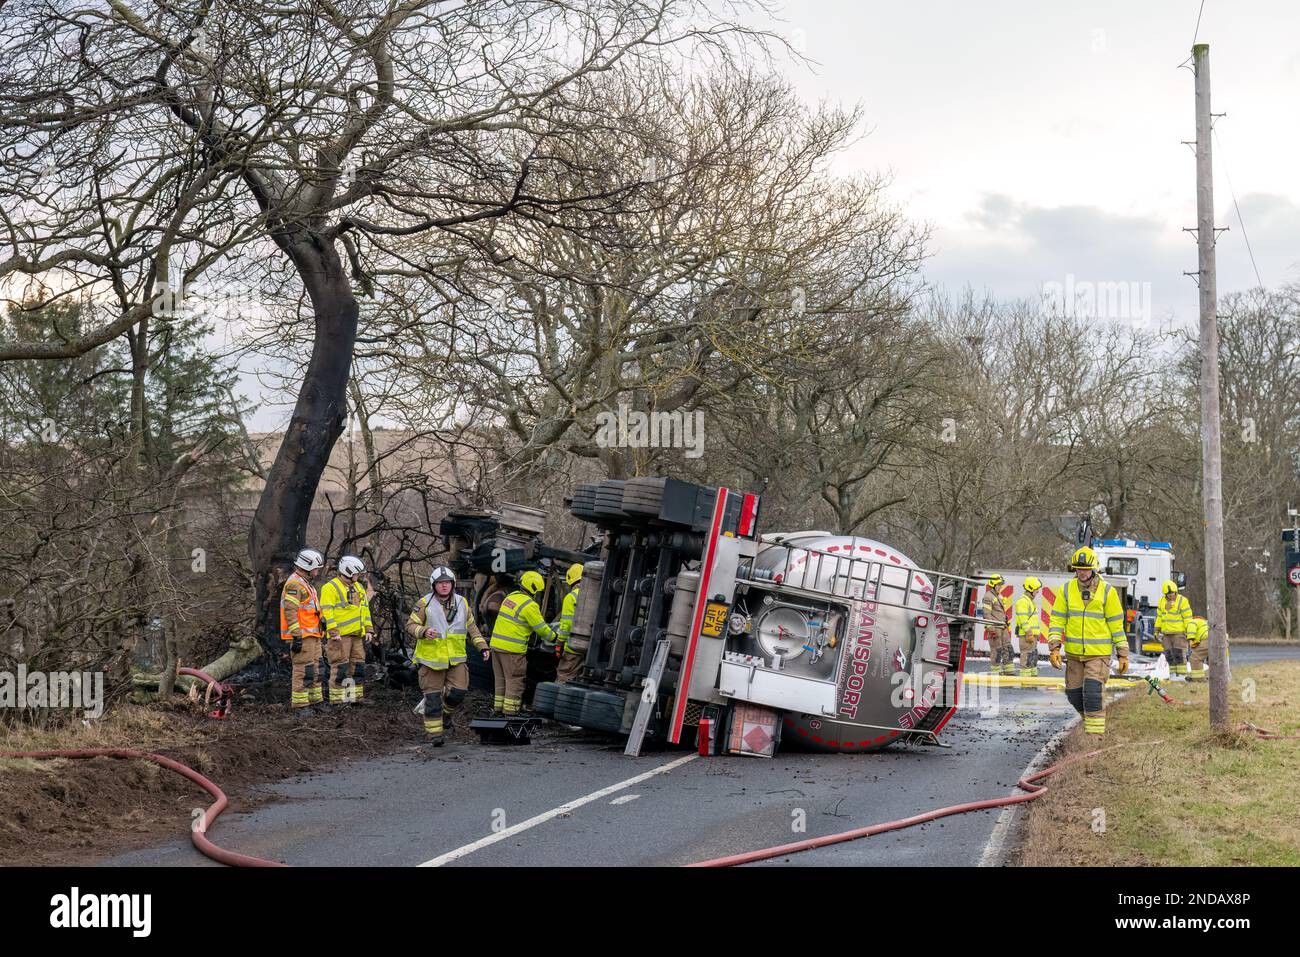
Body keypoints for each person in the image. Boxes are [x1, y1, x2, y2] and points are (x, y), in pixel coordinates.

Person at [1048, 546, 1129, 735]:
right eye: (1078, 568)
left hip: (1097, 655)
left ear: (1094, 569)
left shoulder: (1107, 592)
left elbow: (1117, 626)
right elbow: (1057, 619)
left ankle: (1095, 739)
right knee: (1074, 695)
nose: (1081, 573)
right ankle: (1090, 725)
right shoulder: (1066, 590)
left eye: (1085, 569)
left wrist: (1122, 654)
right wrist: (1054, 648)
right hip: (1074, 655)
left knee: (1092, 694)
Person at [406, 566, 489, 747]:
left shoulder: (462, 603)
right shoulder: (424, 603)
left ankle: (446, 716)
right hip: (431, 661)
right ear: (433, 585)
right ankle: (435, 736)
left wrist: (482, 646)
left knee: (457, 694)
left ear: (453, 584)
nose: (444, 586)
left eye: (447, 583)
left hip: (456, 659)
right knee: (433, 700)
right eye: (440, 583)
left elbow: (472, 628)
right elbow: (410, 625)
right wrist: (423, 631)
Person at [488, 570, 555, 716]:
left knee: (500, 681)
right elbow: (542, 629)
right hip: (512, 651)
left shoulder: (510, 598)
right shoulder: (530, 606)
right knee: (514, 682)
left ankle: (498, 711)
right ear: (533, 588)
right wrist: (555, 637)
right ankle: (510, 715)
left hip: (496, 647)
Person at [320, 555, 373, 705]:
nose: (359, 576)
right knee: (340, 668)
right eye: (357, 573)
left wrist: (369, 629)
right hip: (340, 636)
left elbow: (365, 610)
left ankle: (354, 698)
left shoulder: (358, 587)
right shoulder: (330, 587)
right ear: (348, 571)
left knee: (357, 667)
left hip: (357, 635)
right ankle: (338, 701)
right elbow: (327, 612)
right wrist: (333, 632)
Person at [280, 548, 325, 713]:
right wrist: (297, 636)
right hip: (303, 636)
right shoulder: (295, 584)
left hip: (313, 635)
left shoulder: (305, 583)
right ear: (308, 566)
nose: (318, 571)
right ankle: (300, 705)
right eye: (316, 568)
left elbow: (309, 610)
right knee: (303, 670)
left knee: (316, 669)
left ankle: (315, 701)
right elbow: (290, 612)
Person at [553, 563, 585, 684]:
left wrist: (559, 644)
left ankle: (557, 702)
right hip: (590, 648)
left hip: (573, 647)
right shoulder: (596, 597)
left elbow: (566, 626)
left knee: (563, 676)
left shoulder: (571, 597)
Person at [1155, 580, 1193, 676]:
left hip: (1179, 634)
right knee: (1169, 655)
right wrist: (1156, 630)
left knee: (1179, 654)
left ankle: (1181, 676)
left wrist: (1190, 632)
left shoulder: (1182, 601)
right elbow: (1160, 617)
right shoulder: (1161, 602)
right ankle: (1172, 675)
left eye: (1172, 594)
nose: (1171, 596)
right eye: (1168, 594)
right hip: (1166, 634)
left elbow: (1187, 618)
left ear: (1176, 592)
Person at [982, 574, 1014, 675]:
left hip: (1002, 627)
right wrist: (991, 628)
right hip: (995, 628)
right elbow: (986, 614)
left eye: (1001, 584)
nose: (1000, 586)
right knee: (997, 651)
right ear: (993, 584)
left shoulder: (998, 596)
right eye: (999, 584)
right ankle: (996, 673)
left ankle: (1008, 671)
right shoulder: (988, 596)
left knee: (1008, 649)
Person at [1014, 576, 1044, 677]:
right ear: (1031, 588)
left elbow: (1032, 621)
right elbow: (1023, 619)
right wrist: (1029, 632)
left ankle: (1031, 679)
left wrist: (1036, 634)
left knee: (1032, 656)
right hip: (1027, 636)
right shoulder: (1023, 601)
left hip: (1031, 635)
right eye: (1036, 590)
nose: (1037, 592)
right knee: (1027, 657)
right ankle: (1026, 681)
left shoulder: (1029, 601)